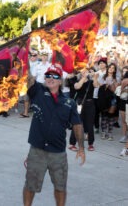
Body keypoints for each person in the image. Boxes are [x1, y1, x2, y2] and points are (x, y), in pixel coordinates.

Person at [23, 64, 85, 206]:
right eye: (48, 75)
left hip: (58, 153)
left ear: (60, 81)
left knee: (60, 187)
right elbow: (28, 77)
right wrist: (22, 56)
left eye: (55, 76)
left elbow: (77, 125)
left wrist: (81, 148)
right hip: (37, 151)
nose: (50, 78)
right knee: (30, 186)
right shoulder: (38, 91)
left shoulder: (69, 103)